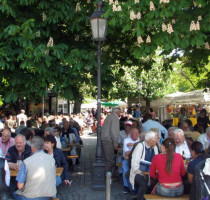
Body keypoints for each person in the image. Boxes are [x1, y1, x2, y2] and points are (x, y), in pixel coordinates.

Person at [130, 131, 159, 200]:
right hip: (138, 173)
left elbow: (157, 162)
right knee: (143, 184)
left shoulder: (155, 147)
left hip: (151, 173)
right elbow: (134, 166)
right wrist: (145, 171)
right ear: (150, 140)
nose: (157, 140)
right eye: (156, 139)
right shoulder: (140, 146)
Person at [101, 107, 120, 173]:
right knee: (110, 160)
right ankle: (108, 177)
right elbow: (114, 132)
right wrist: (115, 143)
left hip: (104, 139)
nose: (120, 114)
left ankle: (107, 175)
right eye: (119, 112)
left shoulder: (109, 116)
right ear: (117, 112)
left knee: (107, 159)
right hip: (108, 140)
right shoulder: (115, 118)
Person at [122, 128, 140, 193]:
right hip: (127, 159)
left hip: (137, 160)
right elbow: (127, 153)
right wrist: (136, 148)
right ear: (131, 134)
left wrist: (132, 146)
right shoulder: (126, 140)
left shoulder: (140, 140)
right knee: (125, 169)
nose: (136, 134)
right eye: (135, 133)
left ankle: (135, 187)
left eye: (137, 133)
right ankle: (126, 186)